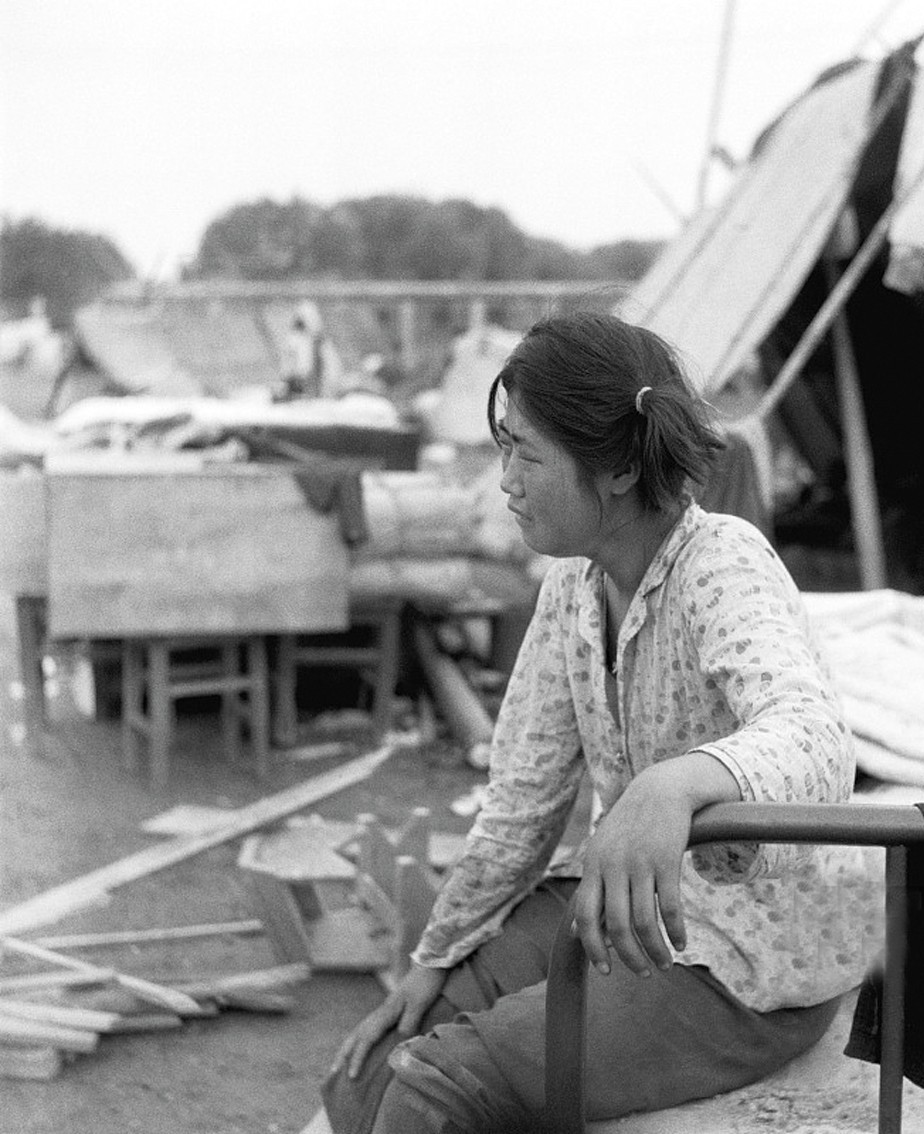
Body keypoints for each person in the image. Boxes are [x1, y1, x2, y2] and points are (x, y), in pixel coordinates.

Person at [304, 311, 866, 1134]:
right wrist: (436, 954)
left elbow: (815, 737)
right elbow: (522, 802)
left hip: (749, 961)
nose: (505, 480)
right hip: (630, 916)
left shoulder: (724, 560)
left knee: (434, 1086)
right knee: (369, 1070)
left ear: (613, 471)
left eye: (526, 454)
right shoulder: (571, 587)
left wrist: (675, 788)